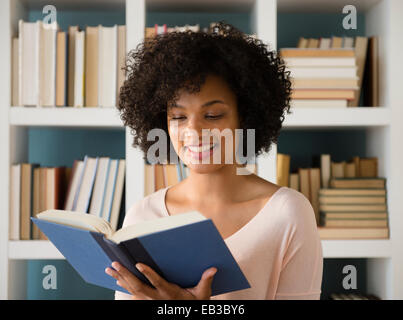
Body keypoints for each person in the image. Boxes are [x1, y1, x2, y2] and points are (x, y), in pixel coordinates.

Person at [106, 22, 323, 300]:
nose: (193, 132)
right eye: (178, 117)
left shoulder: (287, 214)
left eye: (212, 116)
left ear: (244, 118)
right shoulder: (143, 217)